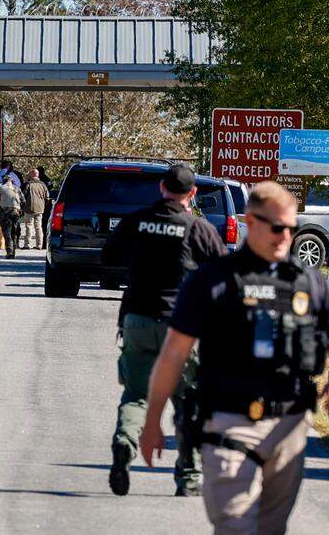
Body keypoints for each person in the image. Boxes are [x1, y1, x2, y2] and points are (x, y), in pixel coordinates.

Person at [140, 181, 329, 533]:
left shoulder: (309, 283)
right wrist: (152, 421)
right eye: (277, 227)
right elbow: (173, 355)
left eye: (292, 228)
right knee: (235, 524)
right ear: (251, 222)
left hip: (289, 426)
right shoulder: (212, 281)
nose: (285, 236)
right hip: (228, 421)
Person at [101, 163, 227, 498]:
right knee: (187, 402)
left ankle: (124, 444)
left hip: (138, 321)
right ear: (193, 193)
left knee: (137, 395)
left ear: (161, 188)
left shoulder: (136, 221)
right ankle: (188, 479)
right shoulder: (196, 228)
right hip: (181, 329)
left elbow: (108, 255)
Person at [0, 176, 24, 258]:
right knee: (14, 232)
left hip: (5, 212)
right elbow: (23, 200)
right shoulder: (17, 189)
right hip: (16, 212)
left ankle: (9, 252)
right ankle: (13, 251)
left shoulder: (1, 188)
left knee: (7, 232)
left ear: (4, 181)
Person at [21, 169, 49, 249]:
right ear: (38, 175)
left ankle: (27, 244)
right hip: (40, 208)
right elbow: (47, 197)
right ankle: (39, 245)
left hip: (29, 208)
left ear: (31, 174)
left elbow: (23, 196)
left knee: (29, 226)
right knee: (38, 226)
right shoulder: (43, 185)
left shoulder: (28, 184)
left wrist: (22, 206)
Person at [37, 166, 54, 250]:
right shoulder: (48, 179)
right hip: (47, 204)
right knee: (45, 224)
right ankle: (43, 243)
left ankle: (41, 243)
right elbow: (51, 189)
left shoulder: (38, 181)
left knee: (39, 224)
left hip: (40, 204)